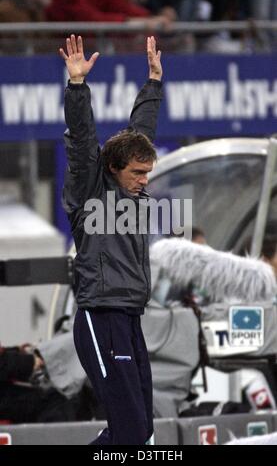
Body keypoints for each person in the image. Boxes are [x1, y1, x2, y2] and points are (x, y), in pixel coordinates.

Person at [60, 34, 163, 445]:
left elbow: (140, 133)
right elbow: (84, 141)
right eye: (138, 173)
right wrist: (77, 87)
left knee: (141, 431)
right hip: (100, 317)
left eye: (147, 173)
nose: (144, 181)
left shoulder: (133, 188)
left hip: (130, 317)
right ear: (114, 168)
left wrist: (153, 83)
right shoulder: (90, 191)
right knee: (131, 432)